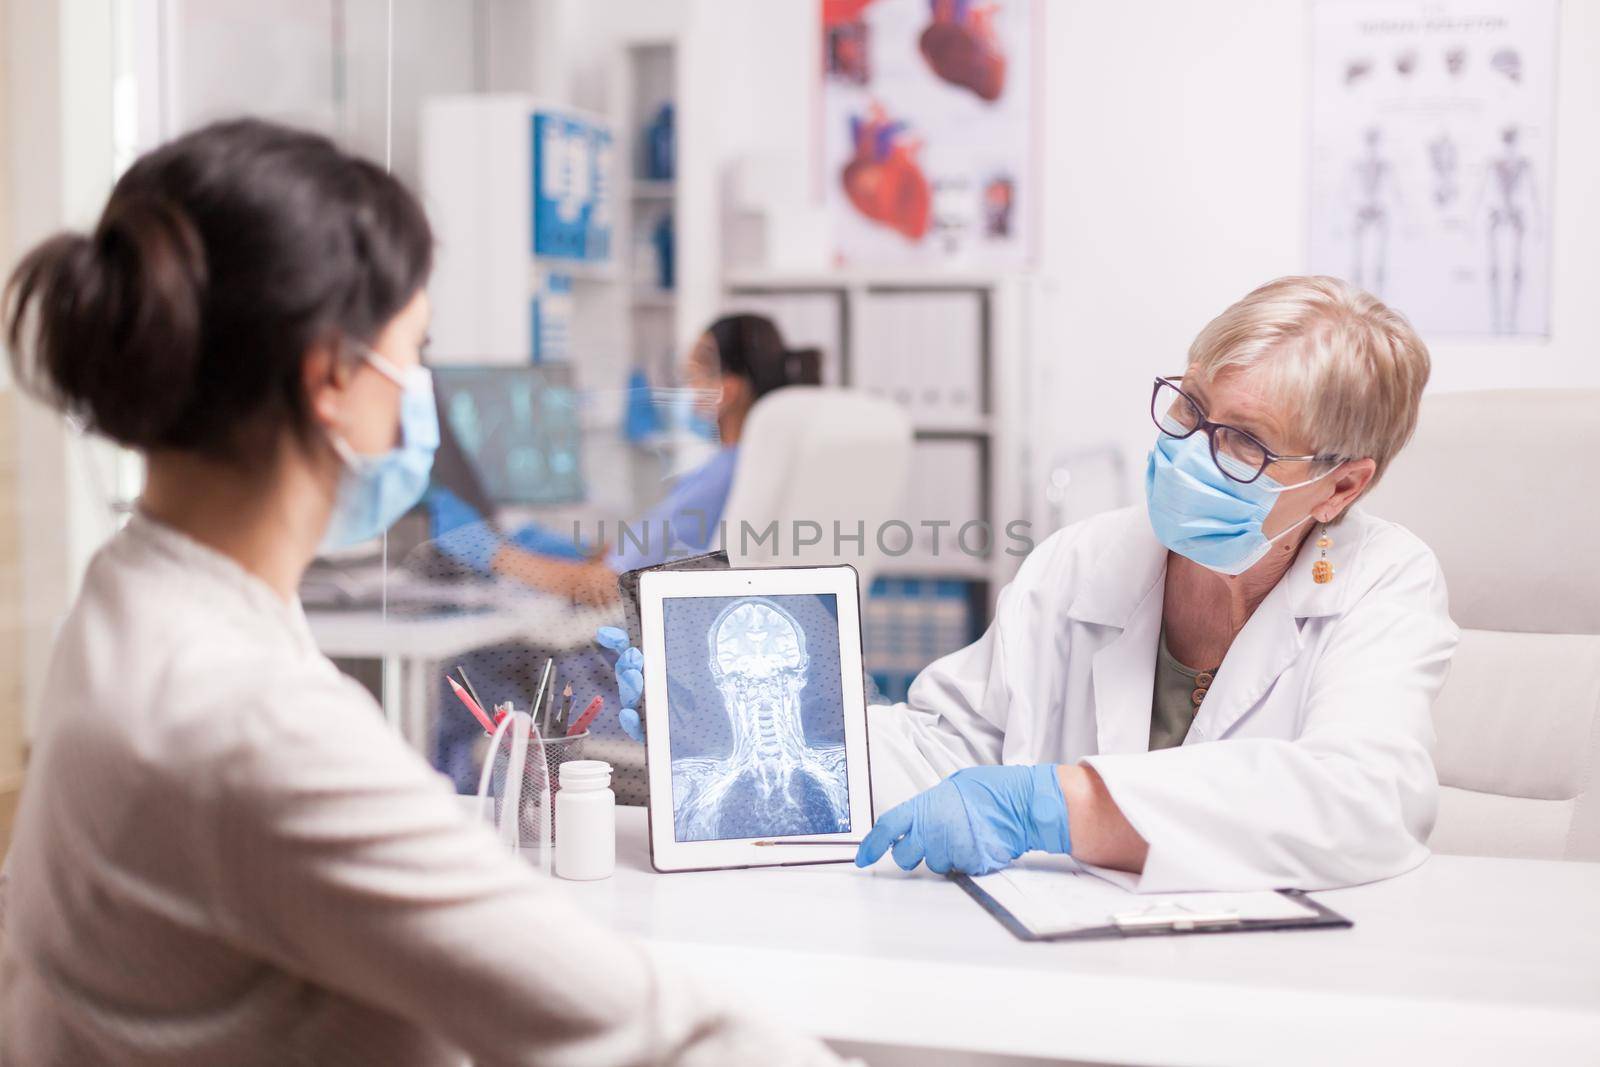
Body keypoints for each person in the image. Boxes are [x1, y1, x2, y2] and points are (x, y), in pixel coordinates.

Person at [0, 119, 848, 1066]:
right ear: (331, 375)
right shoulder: (246, 723)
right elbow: (655, 1036)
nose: (427, 392)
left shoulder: (127, 596)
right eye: (418, 350)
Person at [854, 276, 1459, 891]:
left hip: (1268, 963)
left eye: (1244, 442)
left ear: (1341, 487)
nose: (1190, 450)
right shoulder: (1084, 559)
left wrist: (1056, 806)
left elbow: (1363, 803)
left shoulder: (1383, 582)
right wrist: (813, 741)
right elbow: (951, 745)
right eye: (1189, 407)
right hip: (1061, 943)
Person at [425, 313, 811, 602]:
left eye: (697, 370)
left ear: (729, 387)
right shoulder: (746, 467)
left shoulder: (722, 475)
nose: (687, 381)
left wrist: (494, 555)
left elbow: (604, 588)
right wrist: (575, 549)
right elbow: (655, 555)